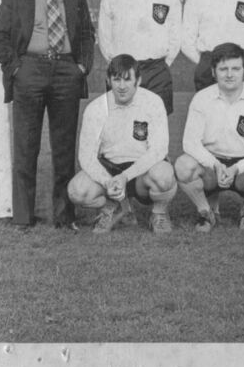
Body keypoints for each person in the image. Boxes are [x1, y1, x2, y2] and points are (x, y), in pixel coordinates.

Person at [0, 0, 95, 229]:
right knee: (26, 147)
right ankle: (23, 218)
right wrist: (15, 69)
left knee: (63, 148)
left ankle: (64, 217)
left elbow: (87, 33)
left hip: (66, 72)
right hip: (29, 71)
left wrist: (82, 68)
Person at [174, 42, 244, 232]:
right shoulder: (201, 98)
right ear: (213, 72)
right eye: (223, 69)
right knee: (183, 165)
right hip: (211, 167)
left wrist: (237, 169)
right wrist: (215, 164)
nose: (229, 74)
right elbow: (190, 143)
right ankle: (205, 212)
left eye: (235, 68)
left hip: (243, 169)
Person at [68, 54, 177, 234]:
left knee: (164, 175)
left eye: (128, 79)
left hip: (142, 171)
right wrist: (107, 181)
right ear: (108, 80)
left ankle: (159, 213)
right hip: (110, 170)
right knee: (76, 191)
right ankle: (116, 206)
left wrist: (126, 176)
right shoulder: (96, 108)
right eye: (116, 79)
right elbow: (85, 157)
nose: (122, 86)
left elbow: (159, 150)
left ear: (138, 80)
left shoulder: (153, 102)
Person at [97, 0, 181, 115]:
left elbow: (175, 37)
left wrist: (162, 64)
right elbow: (104, 37)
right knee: (121, 128)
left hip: (157, 70)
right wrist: (117, 66)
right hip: (122, 71)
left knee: (156, 129)